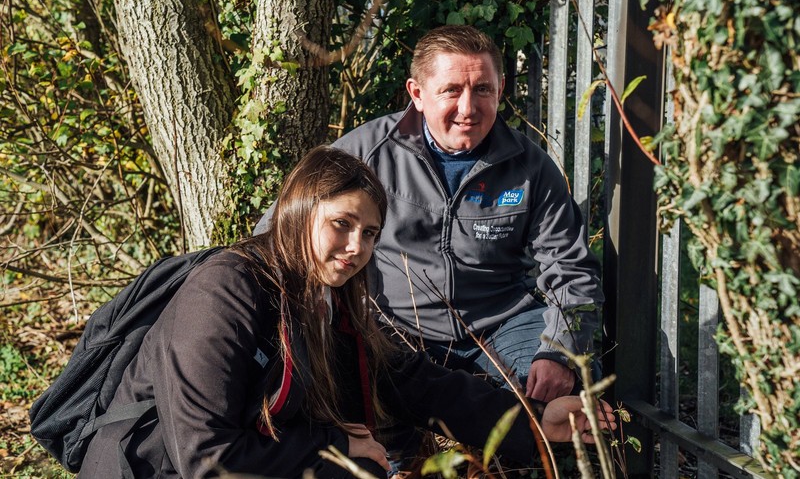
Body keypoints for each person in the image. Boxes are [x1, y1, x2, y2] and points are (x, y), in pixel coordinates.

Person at [79, 146, 615, 478]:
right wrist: (338, 446)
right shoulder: (224, 291)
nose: (356, 247)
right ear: (299, 211)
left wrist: (532, 422)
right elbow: (204, 457)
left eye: (370, 233)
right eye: (341, 224)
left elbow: (416, 382)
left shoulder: (328, 299)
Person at [254, 26, 605, 404]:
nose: (468, 108)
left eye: (482, 89)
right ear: (417, 94)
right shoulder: (366, 153)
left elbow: (570, 269)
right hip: (392, 327)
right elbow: (280, 229)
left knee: (567, 384)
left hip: (500, 322)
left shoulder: (531, 167)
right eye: (451, 90)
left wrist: (559, 352)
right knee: (355, 392)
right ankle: (402, 460)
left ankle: (516, 461)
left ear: (500, 90)